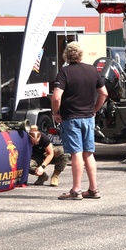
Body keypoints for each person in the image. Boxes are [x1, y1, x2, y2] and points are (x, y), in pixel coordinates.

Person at [52, 41, 107, 200]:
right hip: (88, 118)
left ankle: (76, 190)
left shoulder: (64, 72)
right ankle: (93, 189)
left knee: (76, 153)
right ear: (81, 54)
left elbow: (56, 97)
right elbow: (103, 93)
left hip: (71, 118)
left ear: (66, 55)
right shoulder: (92, 70)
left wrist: (56, 112)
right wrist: (94, 110)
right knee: (89, 153)